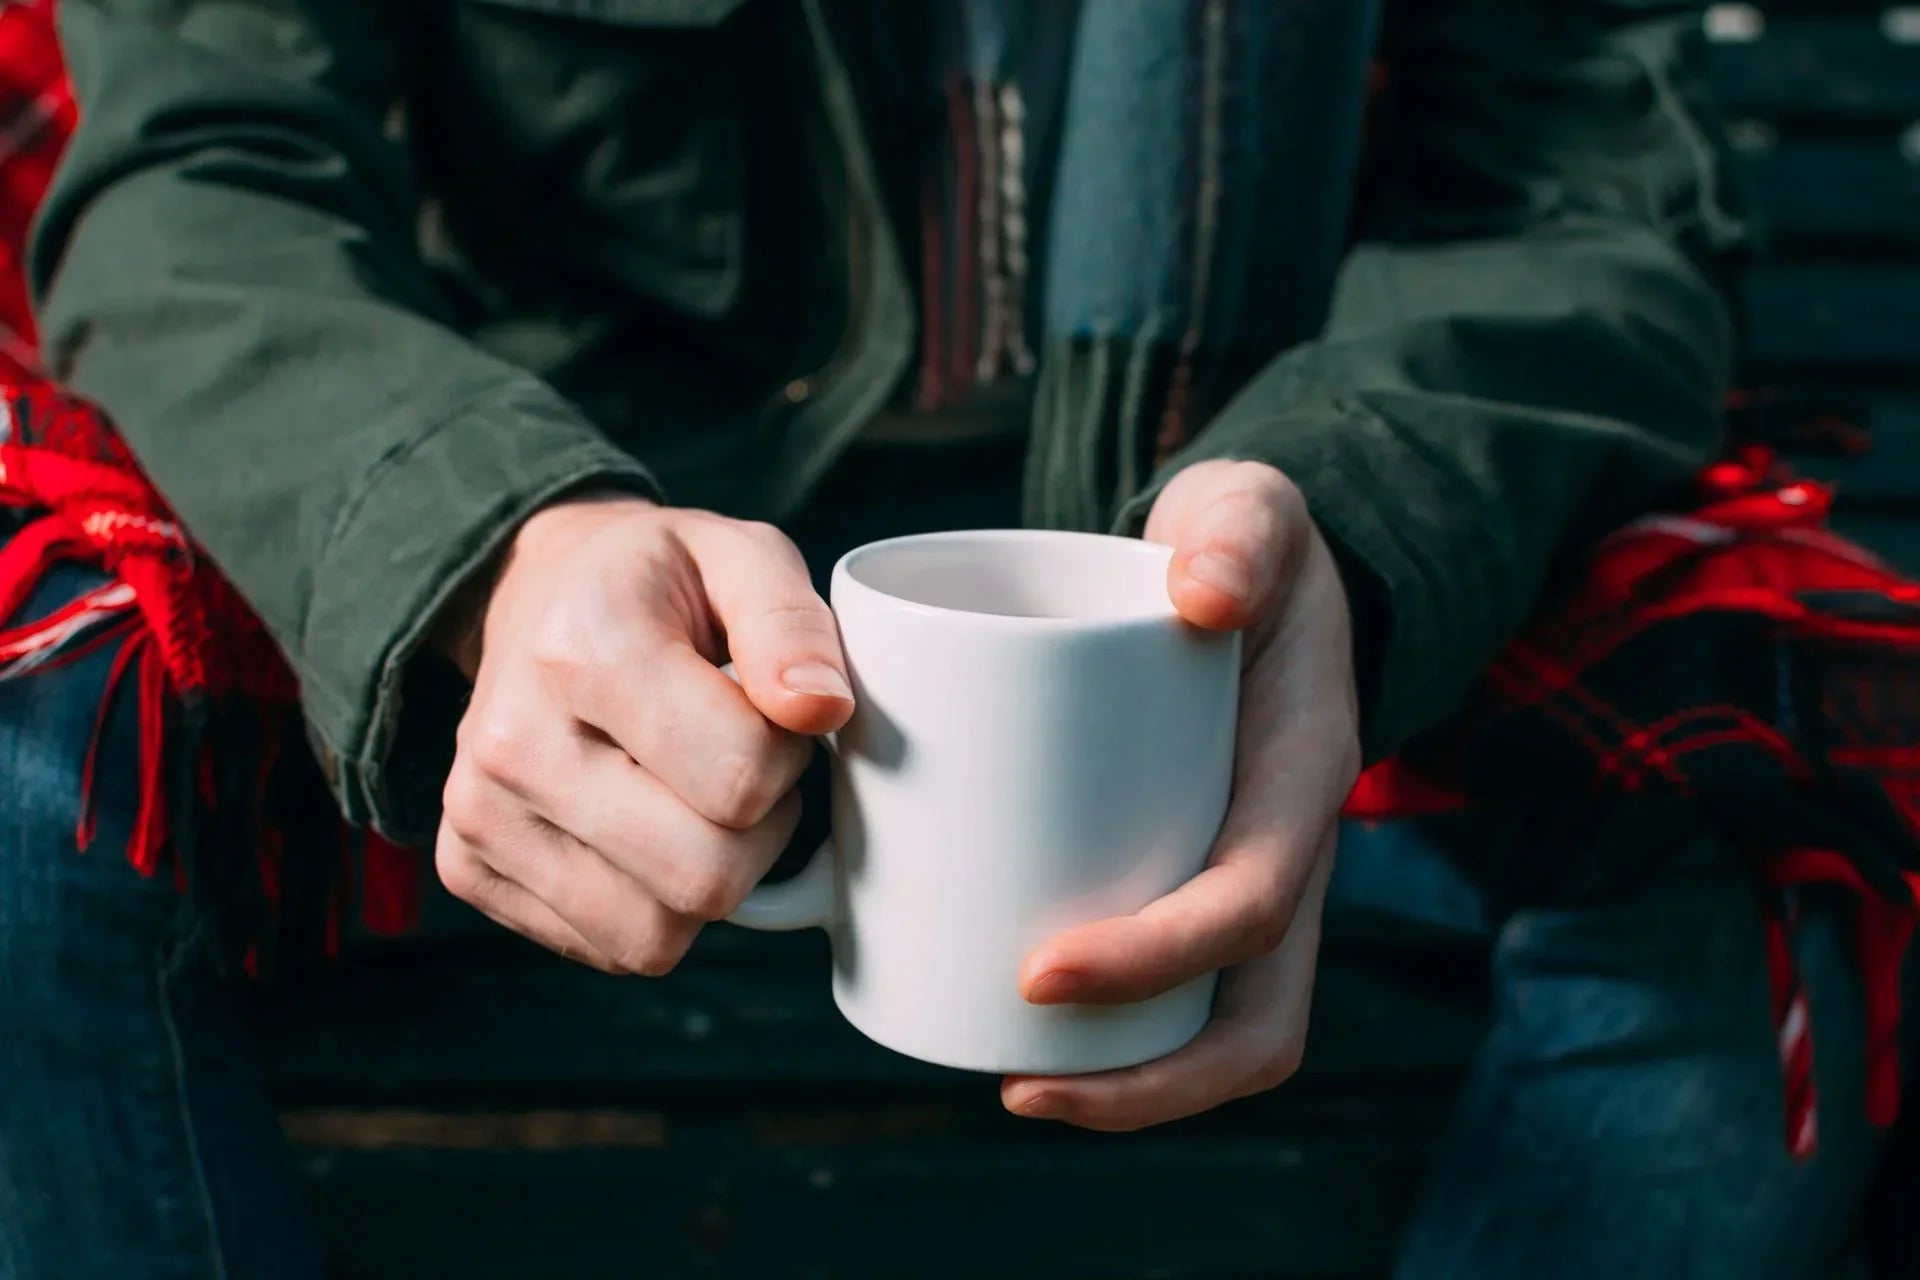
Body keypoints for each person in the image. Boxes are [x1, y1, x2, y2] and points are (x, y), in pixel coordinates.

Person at [0, 0, 1906, 1276]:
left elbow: (1584, 195)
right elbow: (202, 168)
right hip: (586, 544)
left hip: (1250, 537)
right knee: (28, 784)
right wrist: (484, 541)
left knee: (1783, 813)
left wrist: (1364, 526)